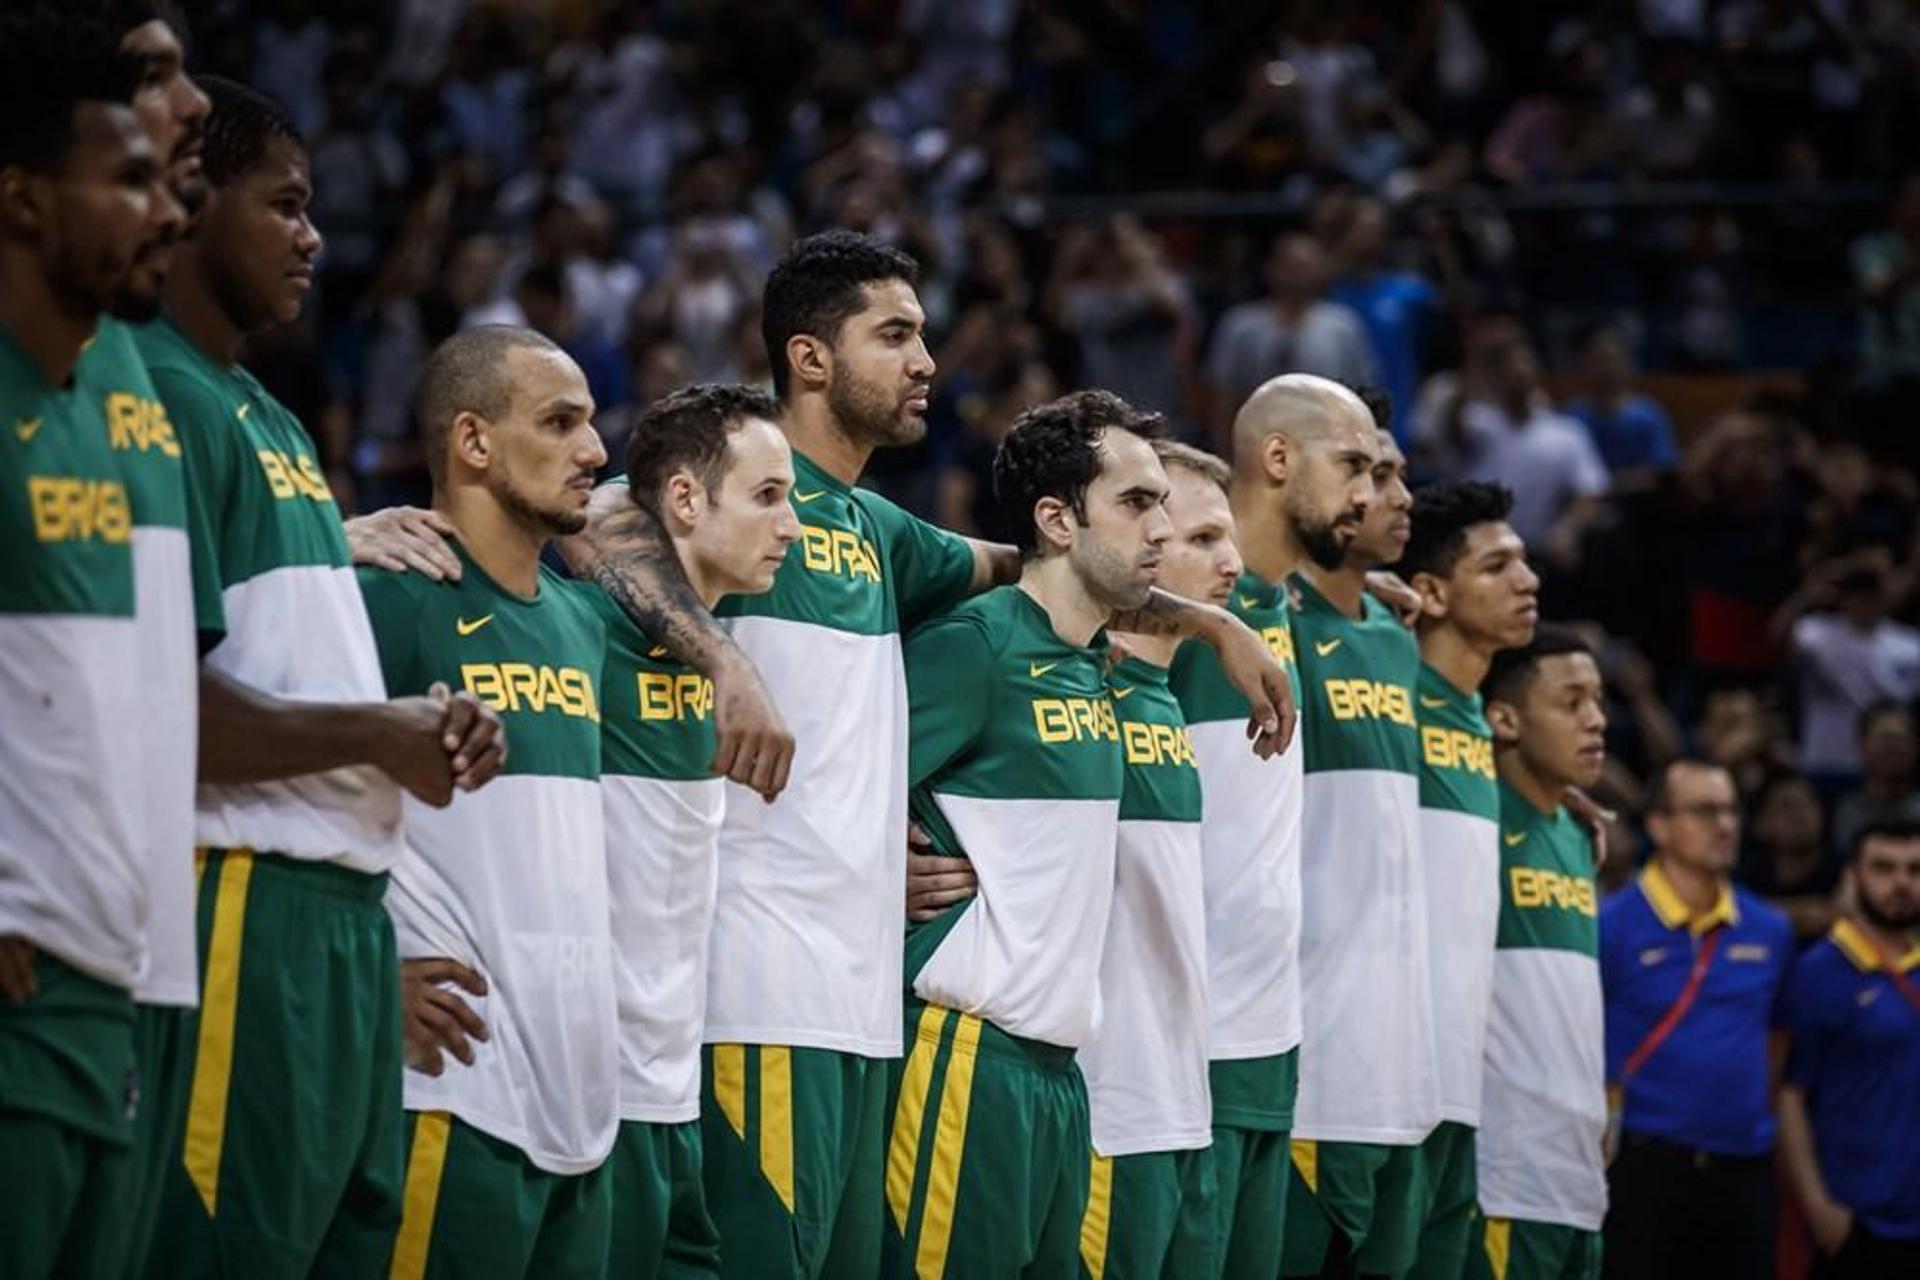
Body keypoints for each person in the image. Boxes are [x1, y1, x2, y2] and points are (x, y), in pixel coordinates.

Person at [136, 79, 503, 1278]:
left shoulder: (272, 418)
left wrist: (421, 738)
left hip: (337, 925)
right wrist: (382, 729)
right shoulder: (156, 396)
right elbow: (159, 715)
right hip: (238, 902)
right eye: (283, 206)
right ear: (191, 204)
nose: (312, 238)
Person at [885, 390, 1167, 1276]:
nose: (1159, 525)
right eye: (1135, 502)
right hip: (965, 1056)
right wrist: (870, 867)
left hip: (1058, 1073)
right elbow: (831, 787)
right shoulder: (978, 643)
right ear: (1056, 519)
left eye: (1161, 502)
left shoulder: (1090, 666)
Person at [359, 325, 617, 1278]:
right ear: (472, 441)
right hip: (449, 1093)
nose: (595, 450)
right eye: (561, 423)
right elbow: (246, 795)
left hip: (582, 1099)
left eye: (591, 423)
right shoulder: (383, 595)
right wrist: (364, 980)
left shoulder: (580, 621)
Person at [0, 14, 179, 1275]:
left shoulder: (97, 414)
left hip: (101, 982)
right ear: (23, 201)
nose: (164, 212)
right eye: (127, 182)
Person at [596, 384, 800, 1277]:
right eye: (767, 497)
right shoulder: (580, 629)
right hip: (584, 1089)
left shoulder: (713, 641)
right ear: (684, 499)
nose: (790, 524)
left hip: (675, 1084)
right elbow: (601, 506)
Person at [1245, 376, 1435, 1278]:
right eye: (1362, 468)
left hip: (1399, 1048)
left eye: (1388, 473)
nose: (1381, 496)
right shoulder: (1261, 617)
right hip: (1298, 1041)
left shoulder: (1398, 637)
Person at [1074, 441, 1230, 1276]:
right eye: (1194, 534)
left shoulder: (1164, 699)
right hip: (1106, 1104)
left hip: (1182, 1096)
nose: (1229, 561)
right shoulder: (1071, 684)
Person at [1396, 481, 1541, 1280]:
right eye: (1498, 566)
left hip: (1463, 1069)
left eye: (1523, 562)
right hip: (1382, 1070)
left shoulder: (1479, 721)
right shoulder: (1394, 699)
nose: (1529, 581)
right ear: (1431, 592)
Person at [1599, 758, 1795, 1280]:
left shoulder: (1768, 928)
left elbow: (1776, 1038)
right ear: (1658, 825)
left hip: (1744, 1168)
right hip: (1643, 1167)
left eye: (1731, 810)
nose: (1726, 825)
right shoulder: (1611, 925)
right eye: (1705, 811)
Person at [1469, 627, 1611, 1280]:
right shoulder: (1476, 812)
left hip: (1578, 1174)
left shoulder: (1580, 834)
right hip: (1502, 1173)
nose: (1597, 720)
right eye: (1572, 701)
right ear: (1504, 718)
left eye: (1599, 701)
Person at [1779, 819, 1920, 1280]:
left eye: (1915, 870)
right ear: (1851, 877)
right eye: (1884, 868)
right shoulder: (1818, 972)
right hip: (1858, 1221)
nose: (1901, 883)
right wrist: (1818, 1207)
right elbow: (1789, 1094)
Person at [1205, 234, 1379, 448]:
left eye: (1306, 266)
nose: (1298, 273)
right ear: (1271, 268)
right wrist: (1224, 451)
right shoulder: (1241, 325)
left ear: (1321, 270)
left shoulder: (1342, 326)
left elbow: (1358, 394)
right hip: (1256, 439)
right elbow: (1223, 394)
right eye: (1290, 265)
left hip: (1326, 441)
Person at [1562, 323, 1679, 482]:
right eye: (1598, 360)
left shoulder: (1649, 415)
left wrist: (1610, 484)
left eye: (1612, 360)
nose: (1606, 369)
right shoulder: (1572, 418)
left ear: (1625, 363)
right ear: (1584, 364)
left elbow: (1663, 471)